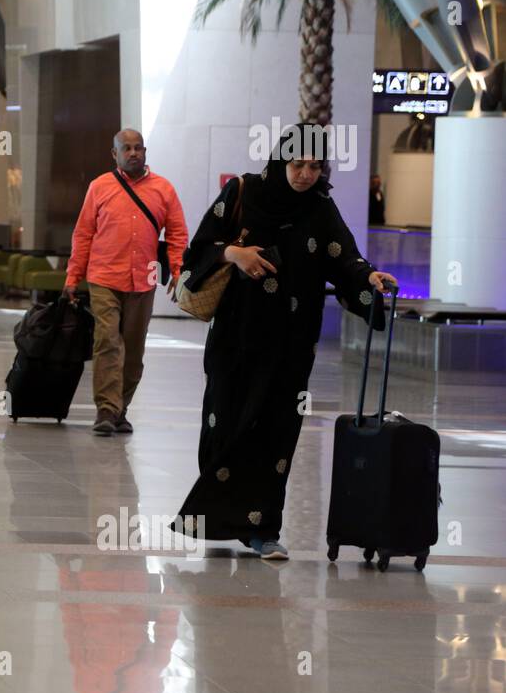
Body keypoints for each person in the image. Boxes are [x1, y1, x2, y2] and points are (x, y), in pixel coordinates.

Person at [170, 125, 398, 561]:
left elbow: (342, 255)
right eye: (298, 165)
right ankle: (220, 517)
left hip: (292, 343)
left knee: (276, 433)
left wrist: (367, 277)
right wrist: (233, 254)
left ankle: (262, 529)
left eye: (315, 166)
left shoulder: (319, 206)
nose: (306, 175)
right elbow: (197, 248)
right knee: (227, 425)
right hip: (236, 338)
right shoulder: (244, 191)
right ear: (280, 161)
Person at [63, 129, 189, 436]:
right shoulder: (99, 187)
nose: (133, 153)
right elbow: (83, 235)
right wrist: (72, 276)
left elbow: (176, 234)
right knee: (107, 341)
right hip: (104, 276)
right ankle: (106, 409)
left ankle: (121, 407)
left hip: (143, 279)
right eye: (127, 149)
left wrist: (178, 271)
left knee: (133, 351)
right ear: (115, 154)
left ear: (145, 152)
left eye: (138, 148)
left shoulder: (164, 189)